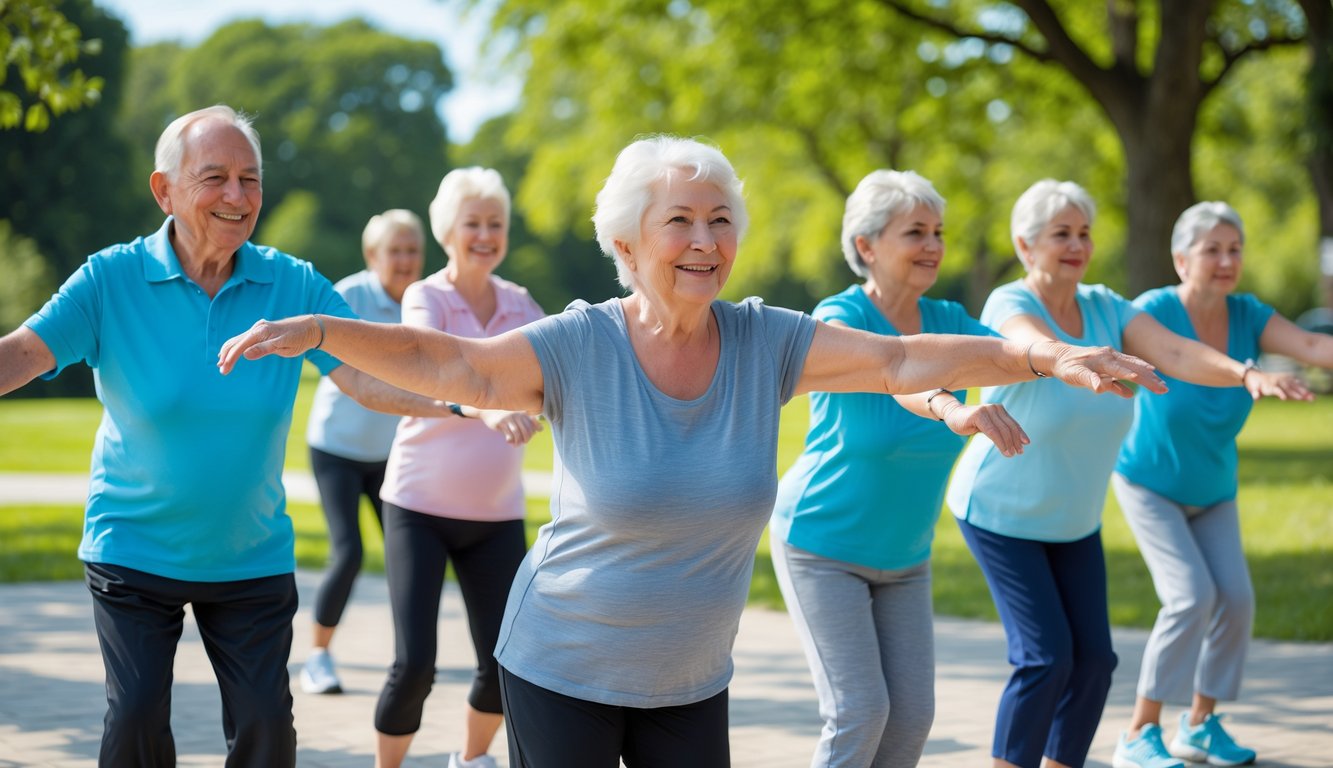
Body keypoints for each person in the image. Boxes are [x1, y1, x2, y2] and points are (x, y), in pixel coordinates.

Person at [217, 136, 1167, 768]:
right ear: (628, 243)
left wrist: (1041, 351)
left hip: (688, 681)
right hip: (561, 667)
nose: (707, 239)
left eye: (720, 221)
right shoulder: (576, 344)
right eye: (681, 221)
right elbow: (447, 361)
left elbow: (901, 357)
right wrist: (326, 330)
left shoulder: (767, 341)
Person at [0, 105, 457, 767]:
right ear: (165, 190)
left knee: (267, 730)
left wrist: (459, 402)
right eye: (215, 177)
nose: (238, 197)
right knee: (132, 725)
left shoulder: (290, 282)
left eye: (250, 179)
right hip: (132, 547)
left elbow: (366, 373)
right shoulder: (111, 279)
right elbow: (20, 355)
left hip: (249, 557)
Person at [943, 180, 1310, 768]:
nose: (1076, 244)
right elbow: (1033, 346)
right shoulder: (1008, 303)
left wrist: (1244, 373)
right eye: (1061, 233)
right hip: (999, 512)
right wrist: (1076, 358)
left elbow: (1179, 352)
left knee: (1094, 663)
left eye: (1084, 232)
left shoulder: (1109, 308)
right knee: (1046, 658)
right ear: (1025, 243)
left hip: (1073, 518)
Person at [771, 169, 1027, 768]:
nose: (934, 245)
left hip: (905, 557)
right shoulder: (838, 318)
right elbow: (894, 378)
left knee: (911, 717)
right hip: (821, 543)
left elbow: (1009, 356)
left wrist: (1063, 358)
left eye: (938, 231)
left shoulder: (950, 320)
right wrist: (949, 407)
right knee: (860, 712)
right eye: (916, 231)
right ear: (866, 246)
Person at [1108, 202, 1326, 768]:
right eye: (1213, 249)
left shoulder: (1248, 314)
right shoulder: (1151, 312)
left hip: (1212, 489)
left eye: (1235, 249)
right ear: (1182, 259)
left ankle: (1200, 725)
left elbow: (1312, 347)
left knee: (1235, 598)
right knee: (1190, 596)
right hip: (1149, 483)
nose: (1227, 260)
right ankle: (1137, 733)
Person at [373, 168, 546, 768]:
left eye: (495, 223)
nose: (484, 234)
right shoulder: (427, 297)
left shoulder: (522, 304)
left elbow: (552, 374)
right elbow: (430, 370)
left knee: (506, 662)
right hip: (418, 506)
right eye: (472, 223)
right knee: (414, 664)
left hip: (496, 515)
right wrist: (489, 407)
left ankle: (470, 761)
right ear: (448, 229)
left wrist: (535, 401)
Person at [300, 209, 427, 695]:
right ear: (373, 255)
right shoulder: (348, 296)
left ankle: (409, 660)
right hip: (336, 449)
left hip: (391, 455)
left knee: (406, 556)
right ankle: (318, 656)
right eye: (394, 251)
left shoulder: (422, 302)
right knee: (349, 552)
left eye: (412, 250)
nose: (404, 260)